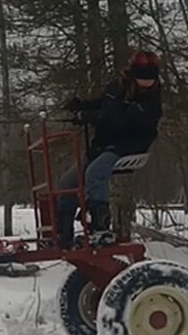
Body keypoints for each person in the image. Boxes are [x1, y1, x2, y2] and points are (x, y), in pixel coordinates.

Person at [55, 50, 163, 248]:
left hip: (128, 145)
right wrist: (81, 105)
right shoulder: (117, 87)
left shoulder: (151, 103)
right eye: (142, 77)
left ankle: (100, 229)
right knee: (67, 184)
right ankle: (63, 235)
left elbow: (119, 120)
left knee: (95, 173)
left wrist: (87, 116)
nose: (146, 82)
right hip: (103, 145)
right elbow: (105, 104)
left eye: (150, 79)